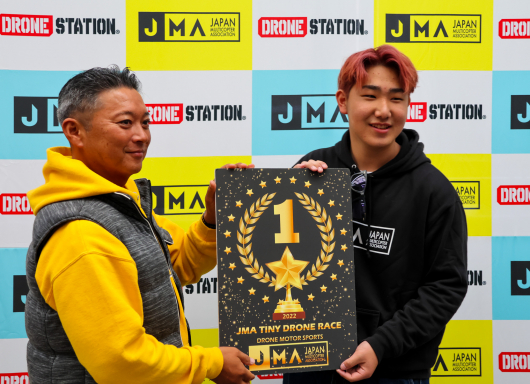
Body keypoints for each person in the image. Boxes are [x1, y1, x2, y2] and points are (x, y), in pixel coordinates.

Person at [25, 66, 255, 384]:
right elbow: (121, 361)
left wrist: (212, 220)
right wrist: (211, 364)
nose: (141, 136)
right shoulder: (80, 233)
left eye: (145, 122)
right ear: (74, 131)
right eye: (125, 123)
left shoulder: (119, 198)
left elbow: (177, 264)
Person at [285, 45, 468, 383]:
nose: (383, 111)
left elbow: (445, 287)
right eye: (370, 96)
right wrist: (284, 201)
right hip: (311, 364)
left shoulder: (434, 191)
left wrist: (380, 345)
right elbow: (281, 260)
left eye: (396, 99)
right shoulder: (313, 171)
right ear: (343, 101)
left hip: (394, 371)